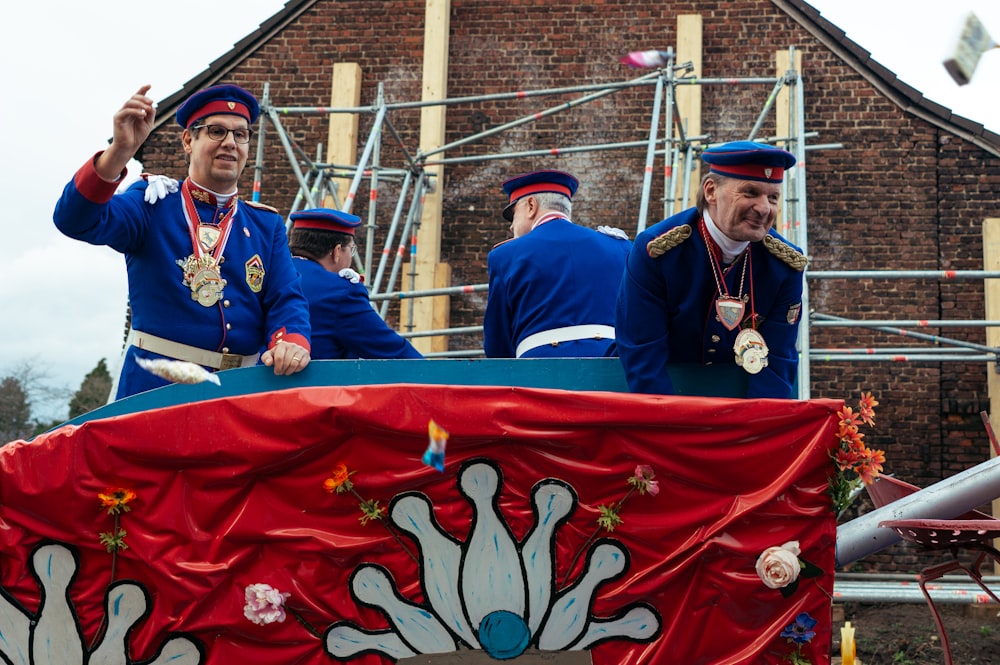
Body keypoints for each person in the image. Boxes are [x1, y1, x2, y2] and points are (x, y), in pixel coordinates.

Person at [53, 84, 312, 399]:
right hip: (158, 391)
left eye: (240, 134)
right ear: (189, 140)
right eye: (217, 131)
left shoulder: (264, 224)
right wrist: (119, 152)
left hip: (239, 394)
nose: (231, 143)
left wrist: (290, 341)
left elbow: (285, 298)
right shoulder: (153, 202)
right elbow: (75, 220)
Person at [615, 141, 807, 399]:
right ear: (711, 191)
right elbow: (644, 357)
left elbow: (777, 363)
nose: (764, 208)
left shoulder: (784, 265)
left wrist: (756, 433)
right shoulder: (657, 252)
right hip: (667, 401)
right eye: (750, 192)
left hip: (740, 405)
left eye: (773, 197)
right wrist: (671, 430)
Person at [483, 170, 631, 358]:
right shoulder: (620, 247)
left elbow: (498, 343)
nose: (511, 226)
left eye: (513, 216)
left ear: (531, 206)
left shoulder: (506, 255)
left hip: (538, 372)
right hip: (610, 366)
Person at [287, 208, 423, 360]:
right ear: (337, 252)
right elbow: (395, 353)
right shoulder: (340, 291)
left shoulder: (270, 276)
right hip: (316, 383)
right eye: (351, 250)